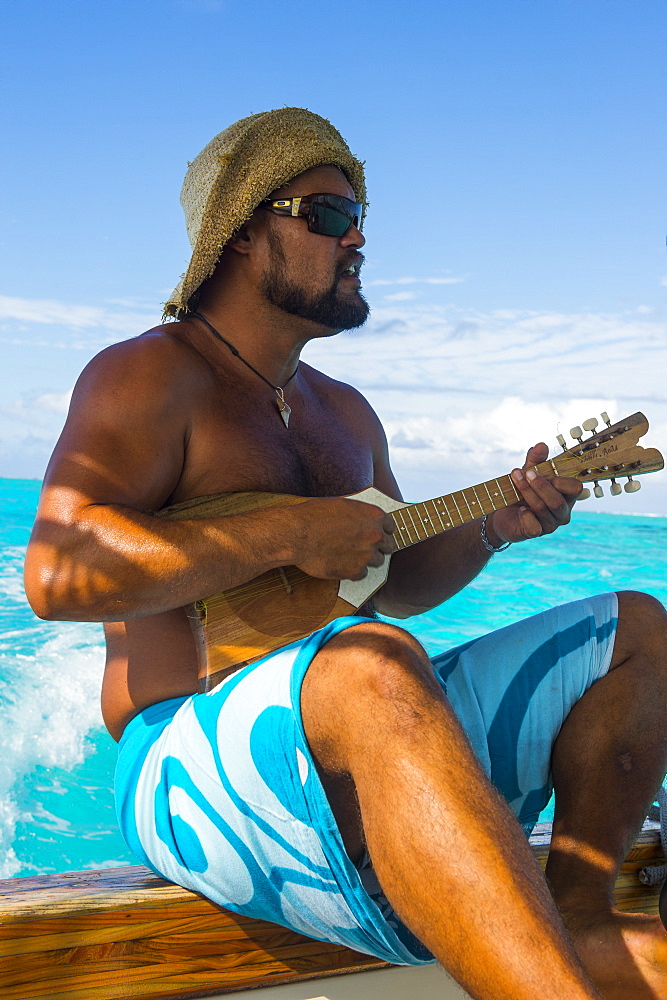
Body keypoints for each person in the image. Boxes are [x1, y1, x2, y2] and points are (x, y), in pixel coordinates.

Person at [24, 108, 667, 1000]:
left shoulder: (348, 414)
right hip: (181, 761)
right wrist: (285, 530)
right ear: (244, 232)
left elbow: (391, 580)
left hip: (357, 724)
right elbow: (56, 576)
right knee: (373, 662)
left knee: (638, 628)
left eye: (360, 214)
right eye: (327, 214)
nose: (357, 236)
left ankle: (579, 913)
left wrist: (493, 526)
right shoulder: (148, 376)